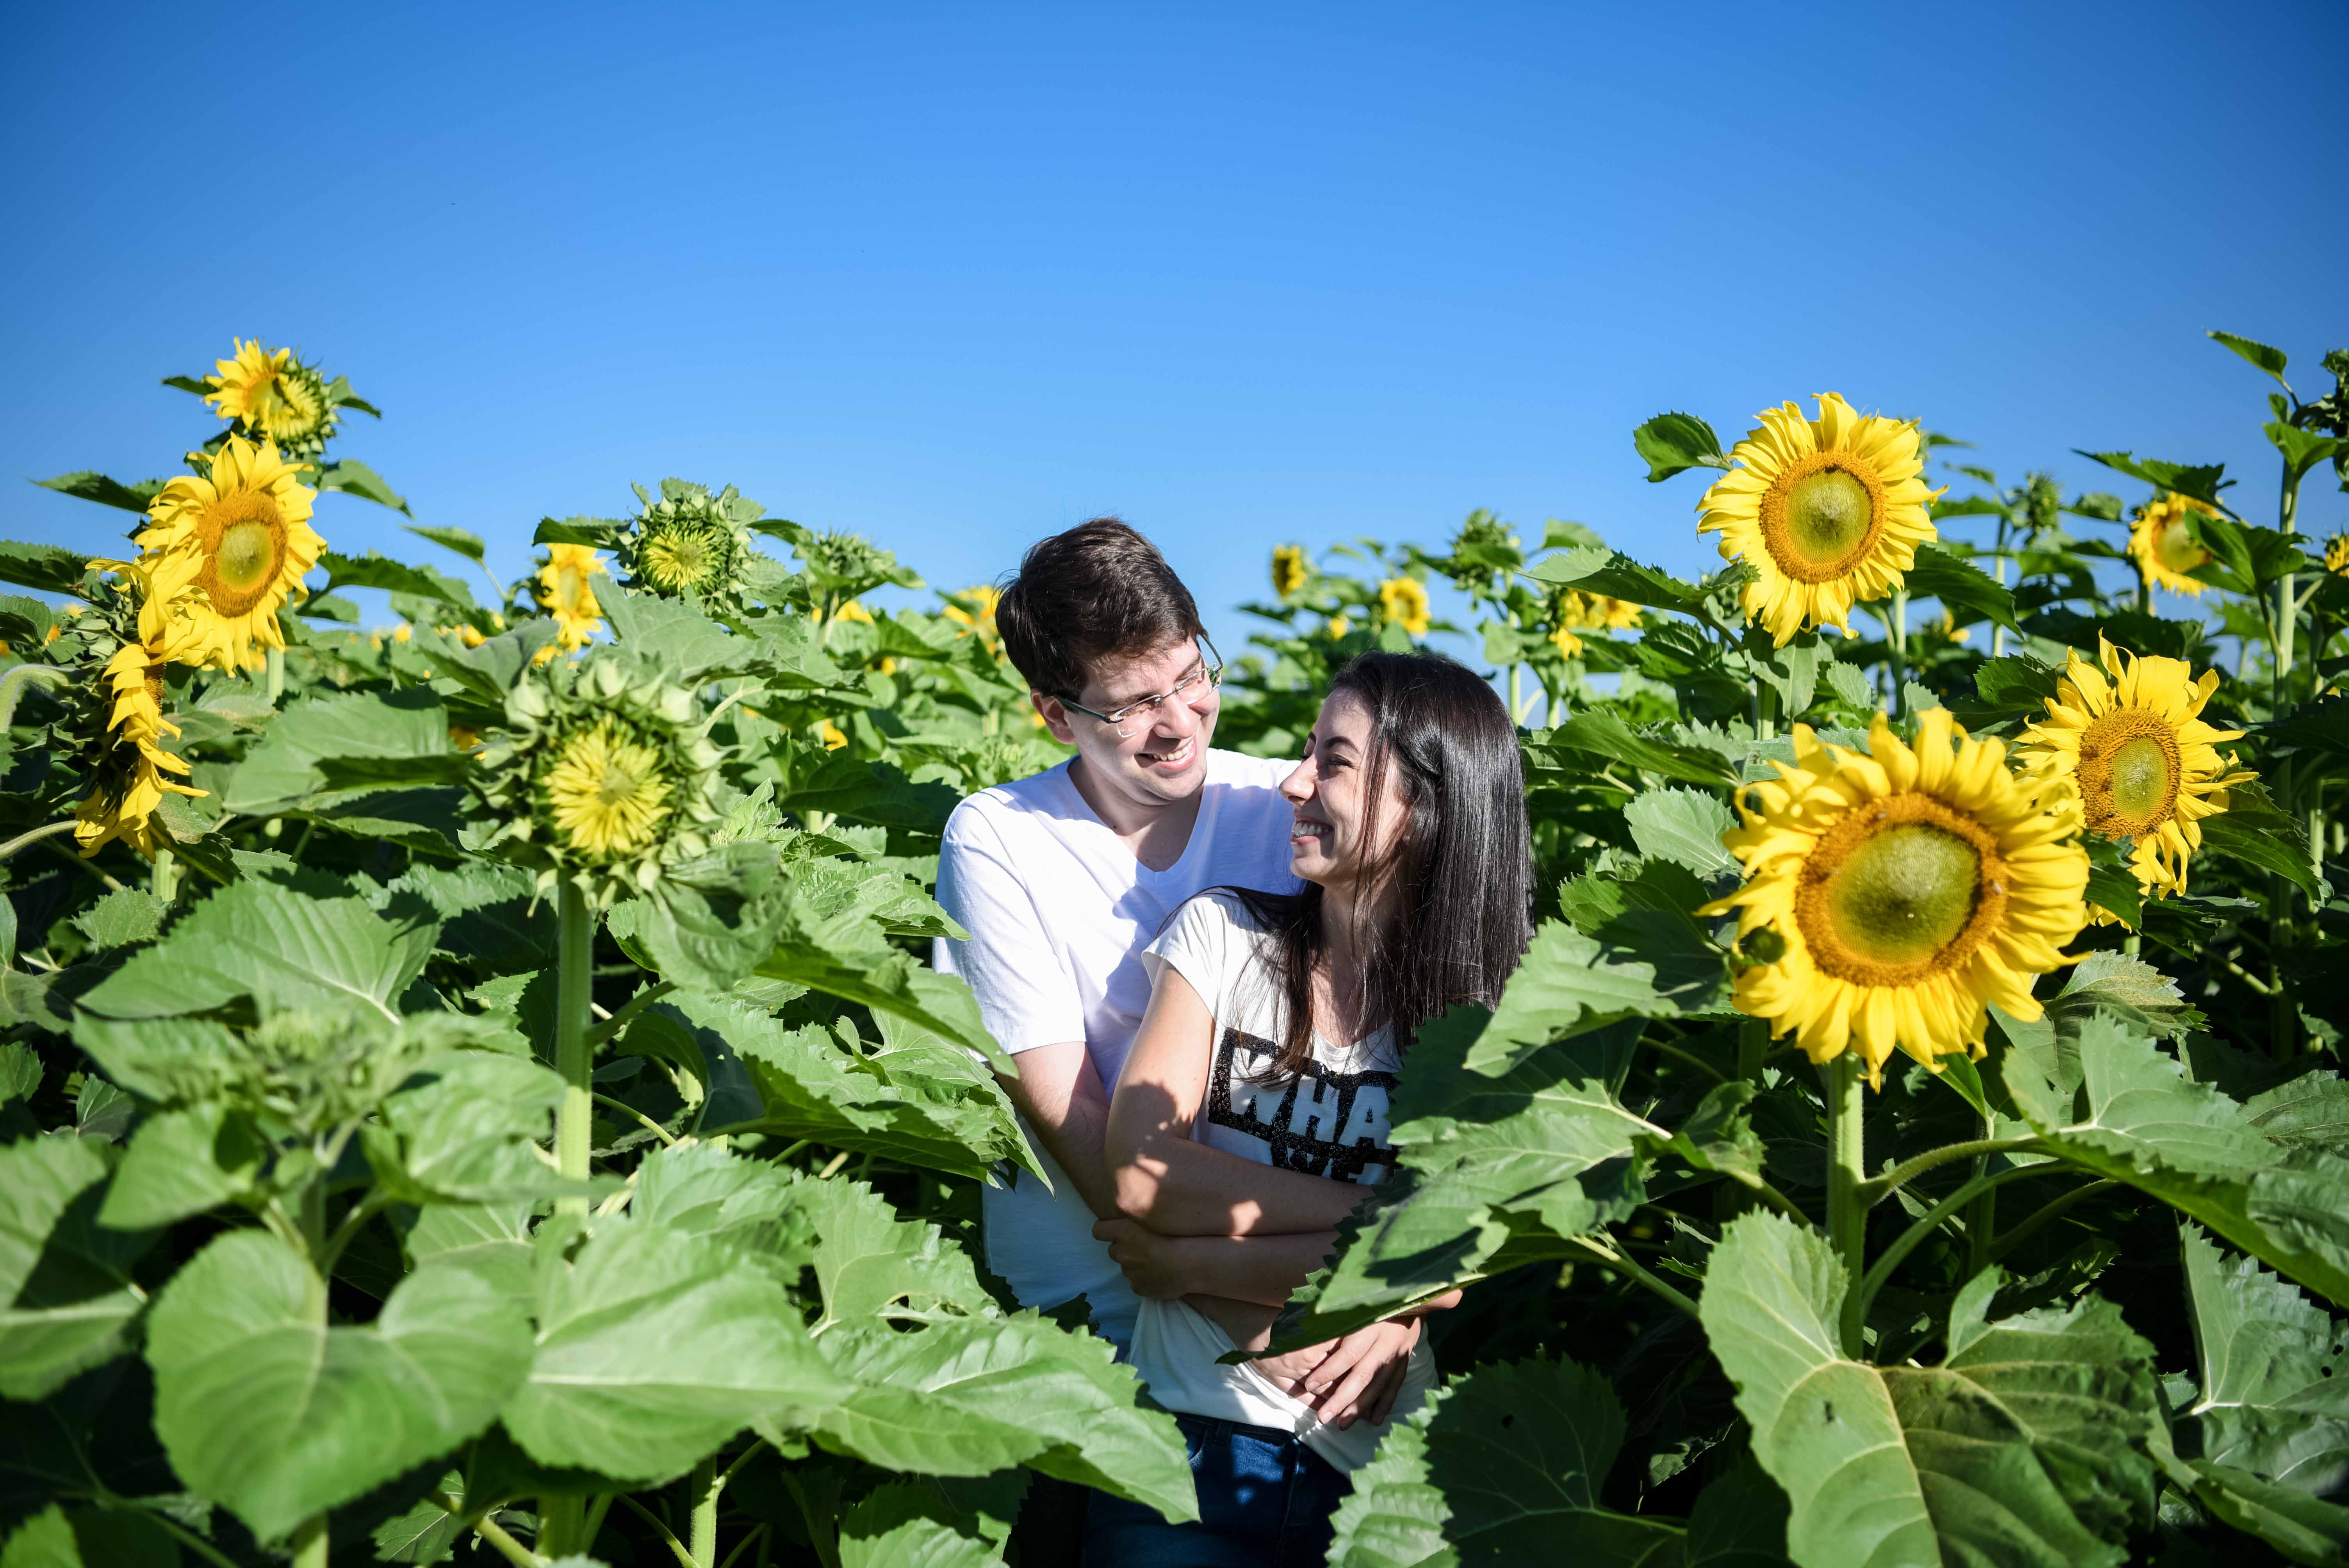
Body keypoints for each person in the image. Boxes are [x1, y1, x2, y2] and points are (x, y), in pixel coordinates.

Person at [1090, 651, 1534, 1567]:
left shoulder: (1490, 1021)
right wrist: (1396, 1238)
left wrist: (1185, 1263)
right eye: (1306, 754)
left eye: (1332, 762)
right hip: (1183, 1445)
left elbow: (1458, 1260)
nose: (1292, 784)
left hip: (1385, 1477)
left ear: (1427, 804)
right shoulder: (1223, 937)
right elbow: (1141, 1172)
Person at [932, 518, 1301, 1562]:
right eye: (1133, 704)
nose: (1178, 722)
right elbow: (1063, 1102)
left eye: (1191, 677)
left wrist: (1347, 1302)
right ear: (1055, 713)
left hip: (1283, 1303)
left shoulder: (1281, 805)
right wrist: (1236, 1300)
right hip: (1095, 1326)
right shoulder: (1000, 837)